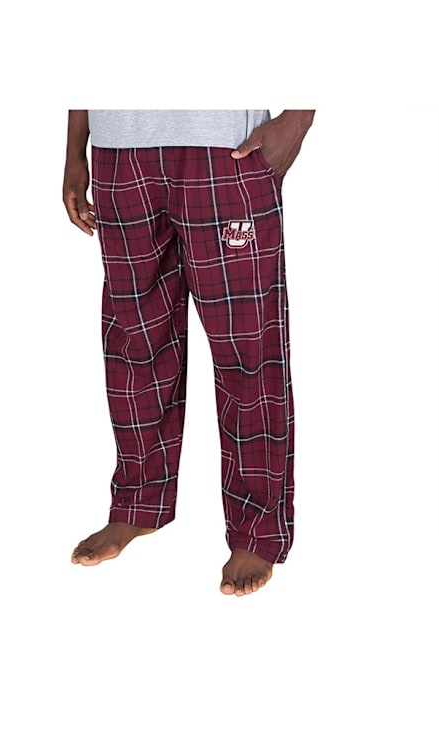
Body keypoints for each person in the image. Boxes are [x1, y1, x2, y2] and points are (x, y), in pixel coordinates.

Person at [63, 109, 315, 596]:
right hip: (118, 147)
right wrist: (76, 148)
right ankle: (139, 503)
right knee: (134, 338)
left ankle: (257, 530)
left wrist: (300, 118)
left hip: (225, 144)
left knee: (247, 345)